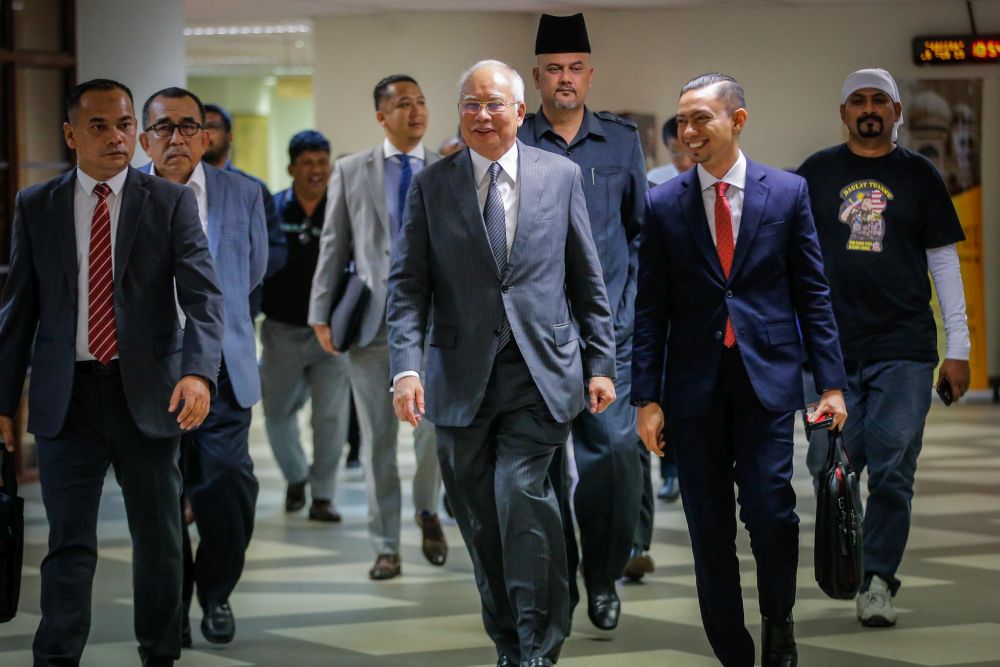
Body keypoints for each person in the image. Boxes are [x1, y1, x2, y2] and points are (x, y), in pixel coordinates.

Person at [388, 59, 616, 667]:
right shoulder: (432, 185)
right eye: (470, 104)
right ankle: (510, 640)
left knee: (522, 499)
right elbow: (408, 288)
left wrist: (601, 363)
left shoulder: (560, 175)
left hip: (540, 373)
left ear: (521, 112)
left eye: (495, 104)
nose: (482, 115)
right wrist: (406, 369)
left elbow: (586, 278)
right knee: (481, 522)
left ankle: (540, 643)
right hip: (458, 380)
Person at [0, 78, 224, 666]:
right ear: (72, 134)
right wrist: (2, 403)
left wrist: (198, 373)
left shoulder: (169, 203)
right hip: (66, 400)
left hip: (148, 397)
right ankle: (56, 658)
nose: (117, 137)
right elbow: (17, 310)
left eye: (125, 124)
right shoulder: (37, 205)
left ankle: (159, 654)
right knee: (68, 544)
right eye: (99, 126)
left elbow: (204, 297)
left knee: (160, 542)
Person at [633, 73, 848, 667]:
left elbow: (813, 292)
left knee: (771, 511)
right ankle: (732, 647)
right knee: (709, 529)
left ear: (738, 120)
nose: (689, 131)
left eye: (702, 117)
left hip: (767, 383)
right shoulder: (663, 204)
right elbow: (649, 308)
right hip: (693, 390)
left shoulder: (786, 193)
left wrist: (830, 384)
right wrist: (644, 398)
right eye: (682, 120)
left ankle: (779, 623)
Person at [798, 67, 970, 629]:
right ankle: (852, 562)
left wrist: (960, 348)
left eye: (879, 100)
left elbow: (943, 262)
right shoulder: (816, 175)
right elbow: (787, 260)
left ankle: (876, 579)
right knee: (831, 466)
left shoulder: (920, 176)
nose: (868, 108)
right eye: (857, 100)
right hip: (829, 352)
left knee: (893, 469)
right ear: (842, 112)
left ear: (896, 112)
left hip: (904, 347)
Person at [517, 12, 647, 631]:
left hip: (608, 336)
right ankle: (558, 578)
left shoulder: (621, 142)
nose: (564, 80)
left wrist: (628, 310)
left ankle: (603, 578)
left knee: (614, 458)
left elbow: (640, 233)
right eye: (552, 70)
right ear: (535, 78)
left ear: (589, 75)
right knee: (539, 466)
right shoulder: (516, 143)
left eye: (574, 69)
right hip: (537, 340)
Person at [140, 86, 268, 646]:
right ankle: (172, 611)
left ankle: (216, 591)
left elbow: (254, 269)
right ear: (145, 137)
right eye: (164, 127)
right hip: (147, 374)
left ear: (206, 136)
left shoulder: (242, 193)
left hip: (221, 368)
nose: (176, 138)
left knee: (228, 486)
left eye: (188, 126)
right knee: (160, 499)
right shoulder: (128, 196)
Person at [308, 74, 446, 580]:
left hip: (434, 329)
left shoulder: (447, 169)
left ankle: (428, 509)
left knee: (432, 435)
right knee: (377, 441)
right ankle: (386, 544)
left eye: (422, 101)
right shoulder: (350, 170)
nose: (416, 111)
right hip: (370, 327)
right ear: (381, 115)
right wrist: (320, 311)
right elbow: (333, 243)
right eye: (403, 104)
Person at [261, 129, 350, 522]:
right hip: (282, 331)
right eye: (308, 163)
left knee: (330, 419)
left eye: (322, 162)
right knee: (278, 411)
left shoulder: (344, 209)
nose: (316, 170)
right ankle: (297, 476)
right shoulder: (274, 211)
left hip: (332, 336)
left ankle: (323, 496)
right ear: (291, 168)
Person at [203, 102, 288, 312]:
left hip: (240, 302)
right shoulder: (179, 187)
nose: (205, 134)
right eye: (199, 127)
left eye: (212, 127)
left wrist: (238, 274)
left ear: (229, 136)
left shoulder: (252, 189)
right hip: (190, 304)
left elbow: (276, 249)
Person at [647, 115, 694, 186]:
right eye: (676, 154)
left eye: (691, 151)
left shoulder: (713, 179)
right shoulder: (654, 180)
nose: (685, 163)